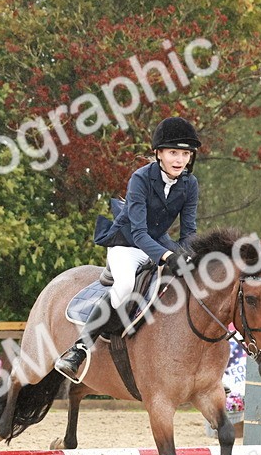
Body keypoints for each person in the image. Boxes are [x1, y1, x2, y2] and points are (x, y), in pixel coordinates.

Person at [55, 116, 202, 380]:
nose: (180, 160)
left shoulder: (190, 184)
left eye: (184, 154)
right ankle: (78, 349)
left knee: (195, 282)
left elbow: (189, 230)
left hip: (158, 242)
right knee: (124, 287)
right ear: (158, 154)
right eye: (173, 153)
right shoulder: (140, 179)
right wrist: (168, 256)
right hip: (127, 243)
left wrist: (187, 255)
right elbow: (138, 232)